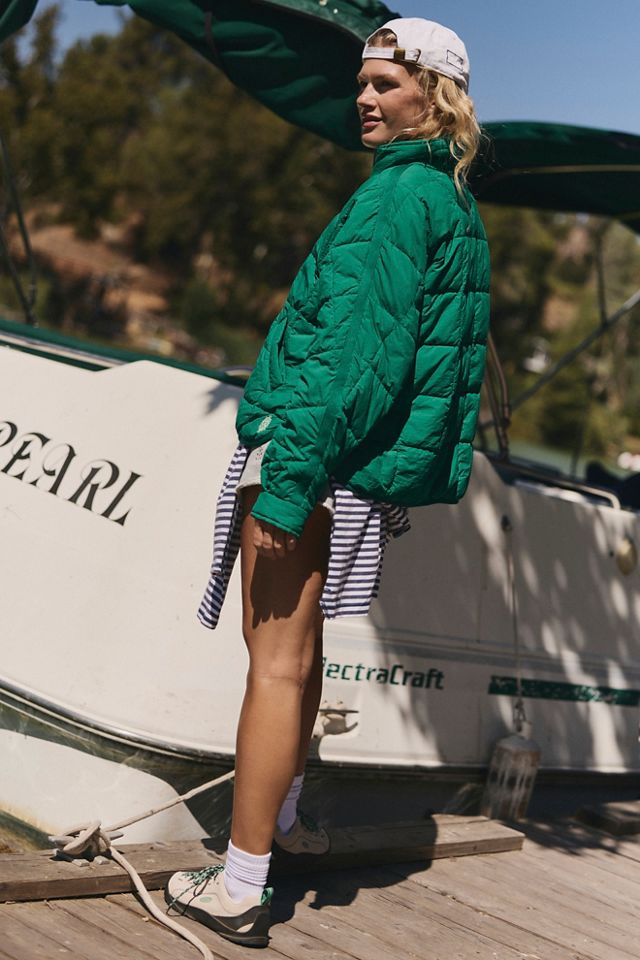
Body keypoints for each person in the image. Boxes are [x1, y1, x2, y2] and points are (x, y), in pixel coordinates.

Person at [166, 16, 490, 947]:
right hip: (350, 469)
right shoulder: (448, 201)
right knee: (299, 659)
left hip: (312, 456)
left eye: (386, 83)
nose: (364, 99)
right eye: (362, 84)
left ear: (436, 95)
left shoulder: (394, 202)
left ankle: (239, 882)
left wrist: (289, 479)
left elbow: (353, 361)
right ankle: (283, 825)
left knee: (274, 663)